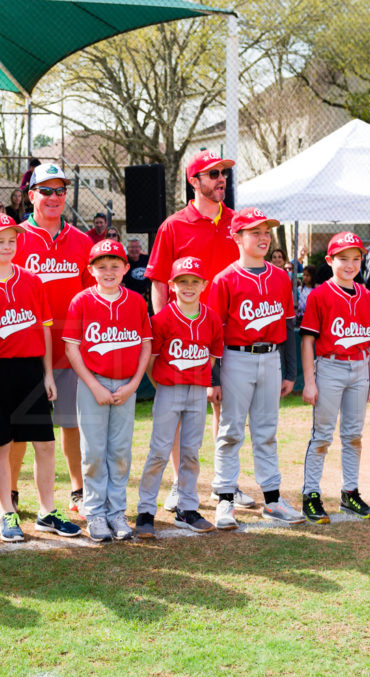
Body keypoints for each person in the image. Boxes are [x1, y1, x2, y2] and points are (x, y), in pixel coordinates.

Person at [0, 214, 79, 542]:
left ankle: (47, 511)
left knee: (44, 444)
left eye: (12, 240)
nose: (7, 246)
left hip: (30, 370)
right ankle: (8, 512)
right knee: (0, 446)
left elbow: (43, 329)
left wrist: (47, 374)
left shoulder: (31, 280)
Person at [145, 149, 243, 511]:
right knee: (178, 415)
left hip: (229, 335)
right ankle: (177, 485)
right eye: (213, 173)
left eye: (223, 173)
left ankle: (224, 484)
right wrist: (165, 330)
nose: (221, 179)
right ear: (194, 180)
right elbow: (157, 282)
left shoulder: (237, 223)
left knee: (227, 412)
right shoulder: (173, 225)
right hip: (185, 341)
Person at [210, 207, 301, 529]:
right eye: (254, 232)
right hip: (236, 357)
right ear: (237, 237)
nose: (263, 238)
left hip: (271, 358)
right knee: (231, 432)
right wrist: (214, 377)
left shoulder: (280, 277)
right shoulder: (225, 279)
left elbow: (289, 324)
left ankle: (273, 500)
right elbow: (214, 333)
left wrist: (290, 370)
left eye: (266, 232)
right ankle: (224, 499)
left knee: (266, 432)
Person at [12, 162, 94, 515]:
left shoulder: (81, 241)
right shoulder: (14, 238)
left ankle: (78, 489)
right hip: (27, 353)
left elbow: (92, 298)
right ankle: (11, 491)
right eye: (45, 190)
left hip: (71, 351)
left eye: (60, 190)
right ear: (31, 195)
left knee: (73, 425)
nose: (54, 197)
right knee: (20, 428)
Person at [63, 239, 152, 541]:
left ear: (127, 268)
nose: (109, 271)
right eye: (102, 266)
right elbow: (72, 349)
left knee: (120, 452)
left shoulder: (137, 302)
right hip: (93, 384)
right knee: (93, 453)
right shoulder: (81, 301)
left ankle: (116, 512)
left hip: (126, 385)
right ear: (91, 270)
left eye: (115, 265)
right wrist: (93, 386)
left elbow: (146, 345)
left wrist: (134, 385)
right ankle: (95, 513)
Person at [134, 256, 223, 538]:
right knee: (159, 451)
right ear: (171, 285)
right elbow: (151, 360)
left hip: (197, 391)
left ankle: (187, 508)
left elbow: (210, 357)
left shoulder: (211, 318)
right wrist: (163, 385)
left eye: (194, 282)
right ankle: (146, 510)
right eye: (182, 281)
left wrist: (195, 381)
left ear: (203, 285)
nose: (188, 286)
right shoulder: (161, 320)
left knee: (191, 452)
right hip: (168, 389)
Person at [299, 232, 370, 524]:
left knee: (353, 436)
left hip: (359, 369)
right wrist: (310, 381)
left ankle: (350, 493)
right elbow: (308, 340)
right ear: (329, 260)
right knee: (322, 436)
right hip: (330, 368)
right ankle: (310, 494)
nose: (350, 264)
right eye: (342, 258)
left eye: (355, 258)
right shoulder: (320, 295)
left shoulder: (367, 296)